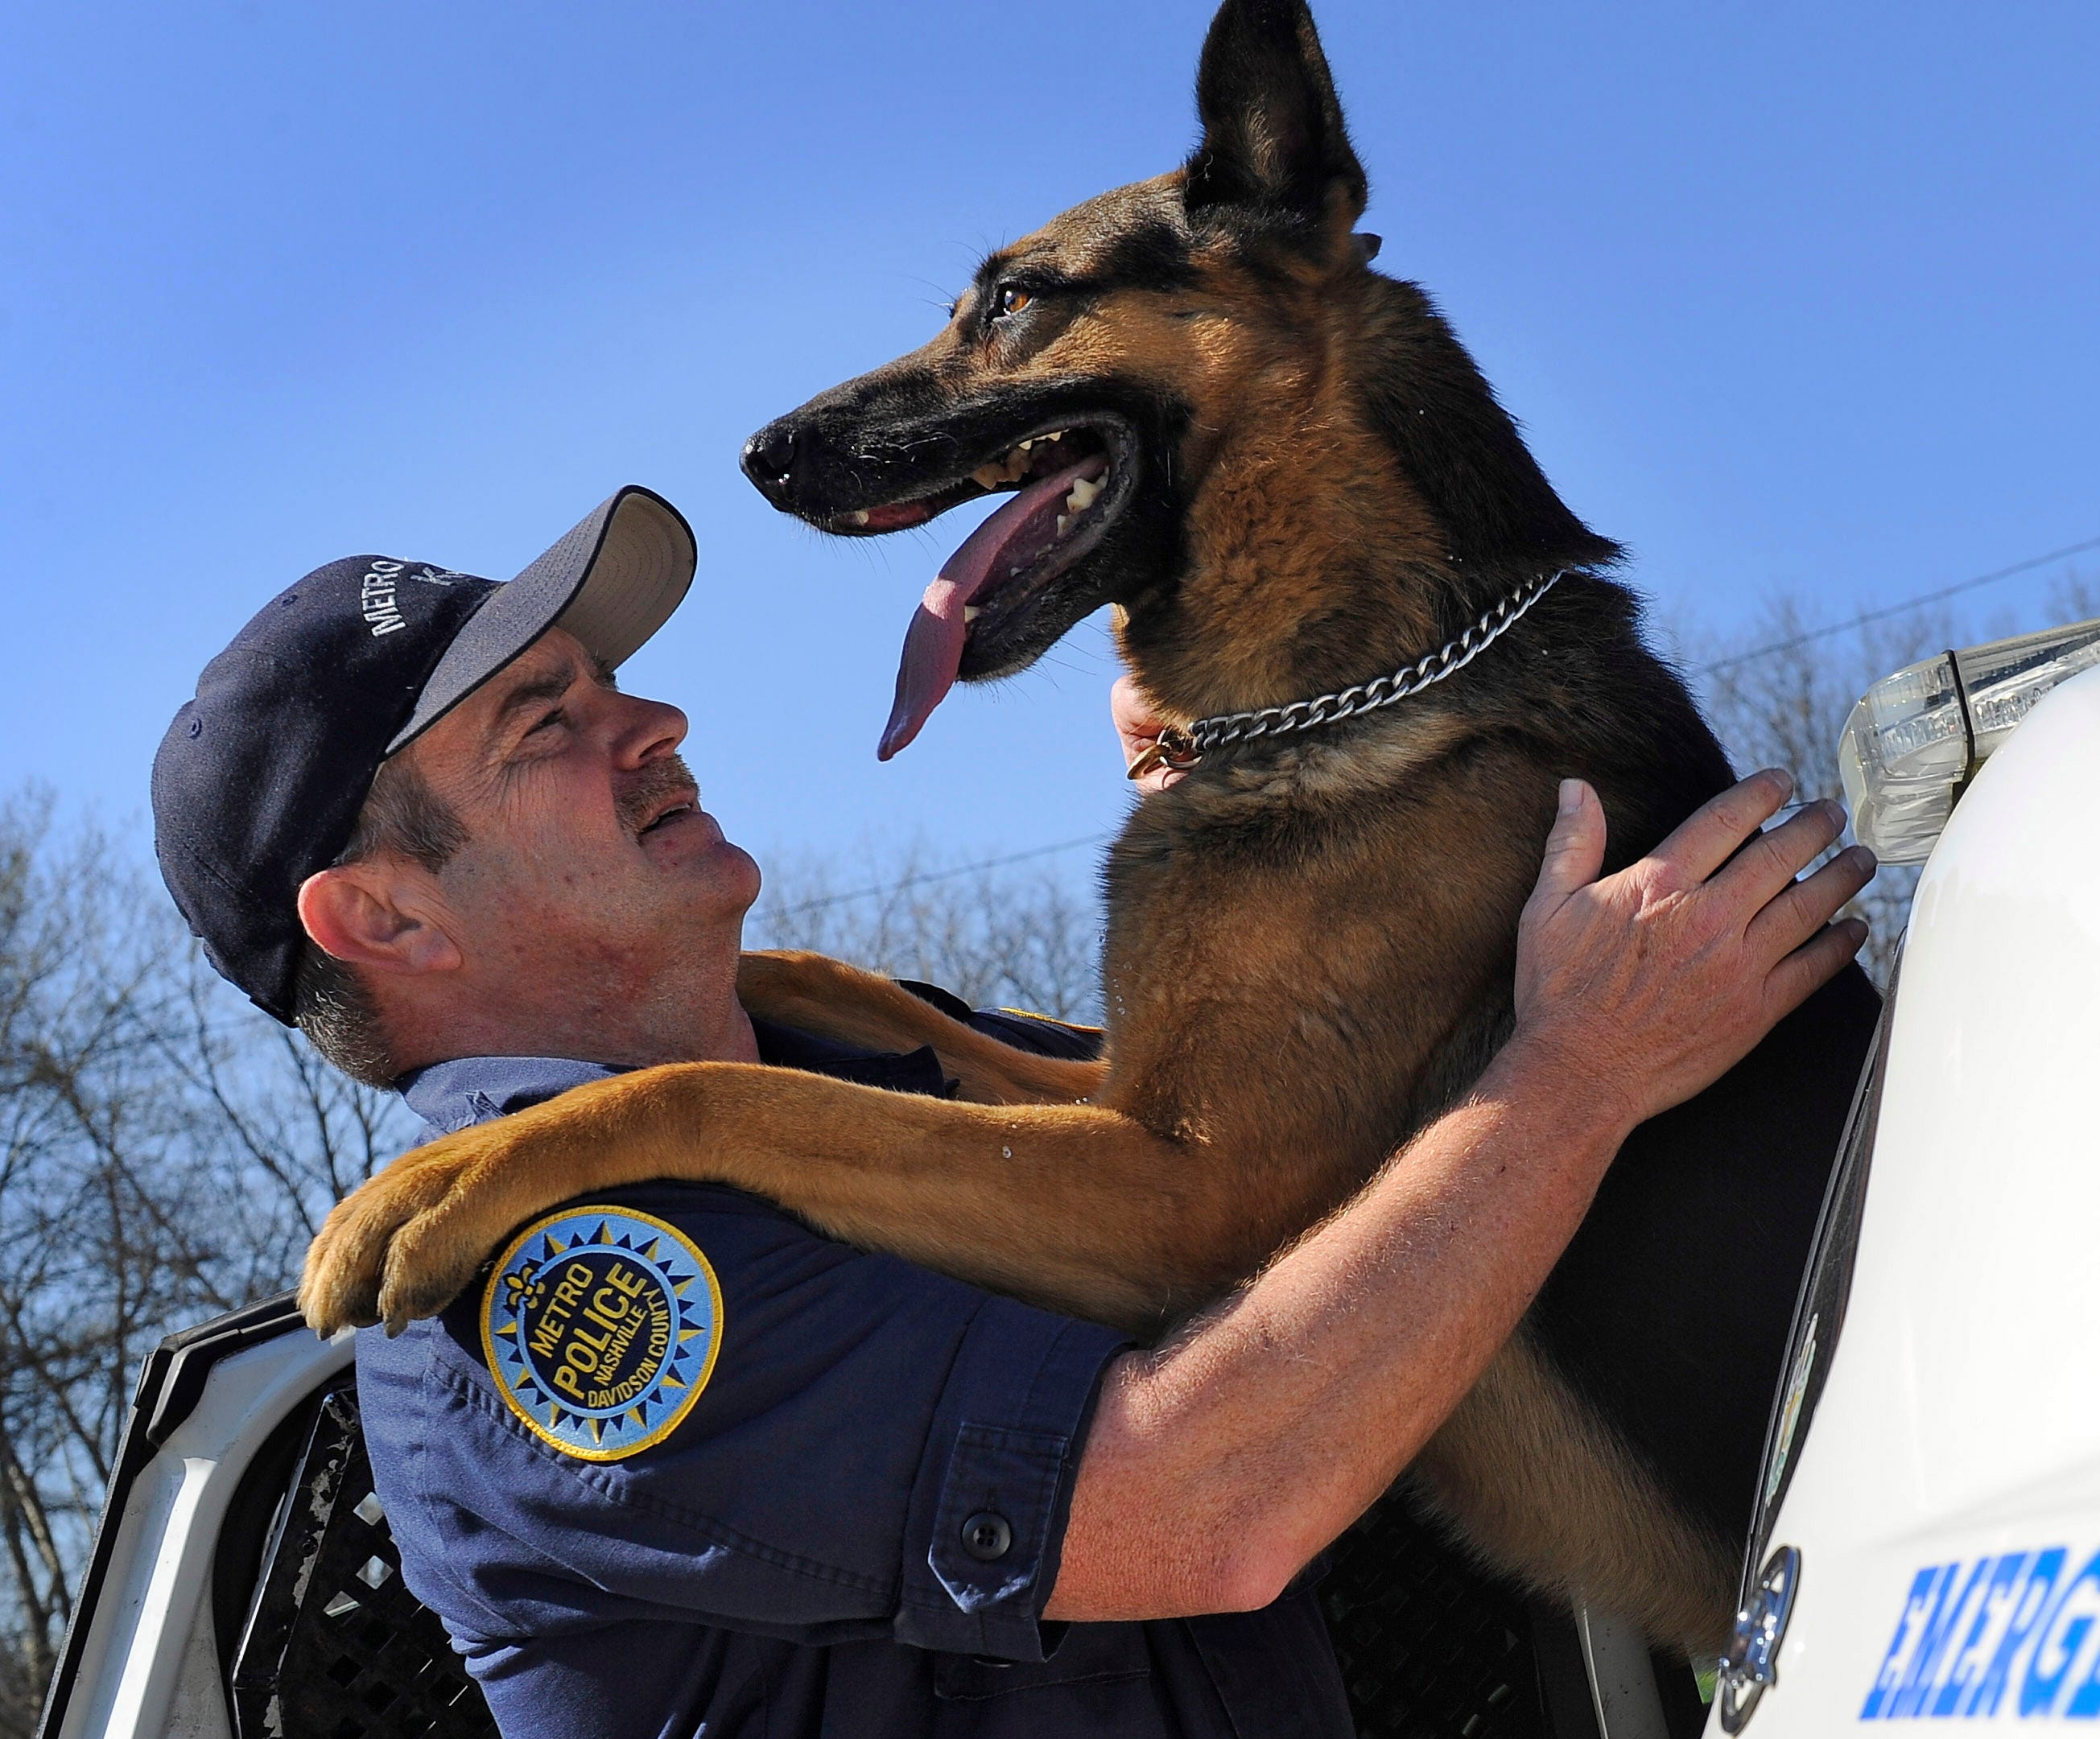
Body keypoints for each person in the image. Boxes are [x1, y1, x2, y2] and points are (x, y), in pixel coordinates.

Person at [151, 486, 1874, 1738]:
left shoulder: (858, 1066)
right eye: (550, 722)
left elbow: (1282, 1177)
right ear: (382, 919)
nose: (659, 722)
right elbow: (1207, 1496)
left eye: (620, 688)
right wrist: (1575, 1075)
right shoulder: (534, 1266)